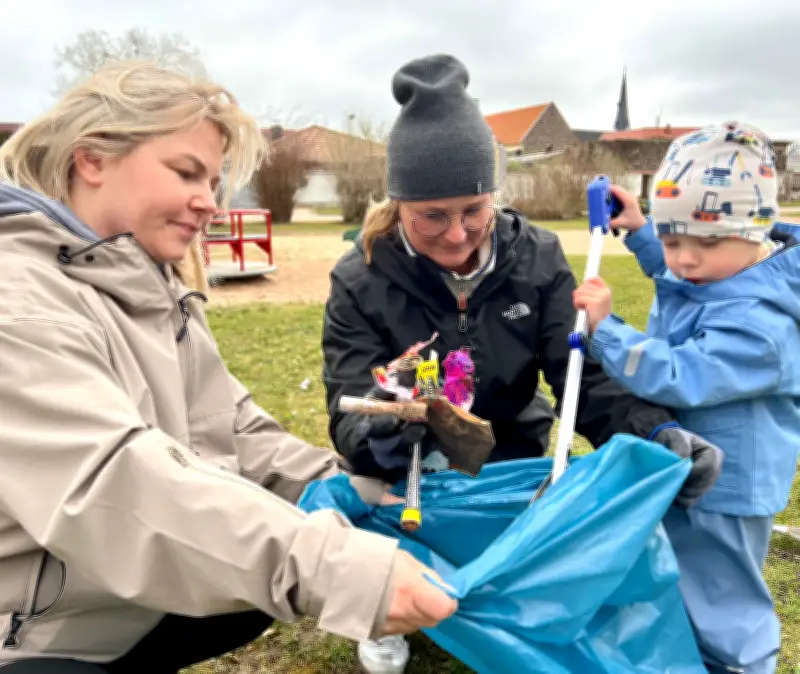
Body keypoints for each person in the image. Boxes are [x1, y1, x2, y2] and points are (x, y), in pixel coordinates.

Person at [0, 60, 458, 673]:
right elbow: (111, 481)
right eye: (186, 172)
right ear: (92, 160)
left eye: (213, 181)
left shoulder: (152, 285)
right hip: (33, 633)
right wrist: (334, 569)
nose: (208, 203)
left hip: (110, 597)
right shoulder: (21, 301)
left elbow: (233, 426)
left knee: (261, 565)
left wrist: (346, 490)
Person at [321, 53, 724, 671]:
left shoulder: (535, 258)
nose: (458, 235)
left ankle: (497, 595)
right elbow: (347, 409)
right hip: (407, 464)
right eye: (433, 215)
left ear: (494, 196)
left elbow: (581, 373)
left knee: (536, 528)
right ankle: (384, 607)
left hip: (511, 452)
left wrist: (655, 432)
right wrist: (394, 418)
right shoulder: (360, 278)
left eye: (475, 209)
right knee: (371, 498)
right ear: (399, 205)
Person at [573, 121, 800, 674]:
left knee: (723, 593)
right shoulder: (728, 275)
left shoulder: (761, 324)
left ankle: (739, 666)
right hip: (697, 461)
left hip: (732, 483)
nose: (684, 261)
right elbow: (683, 278)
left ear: (755, 232)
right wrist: (645, 233)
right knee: (685, 575)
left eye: (706, 243)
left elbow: (681, 373)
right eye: (674, 242)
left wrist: (607, 331)